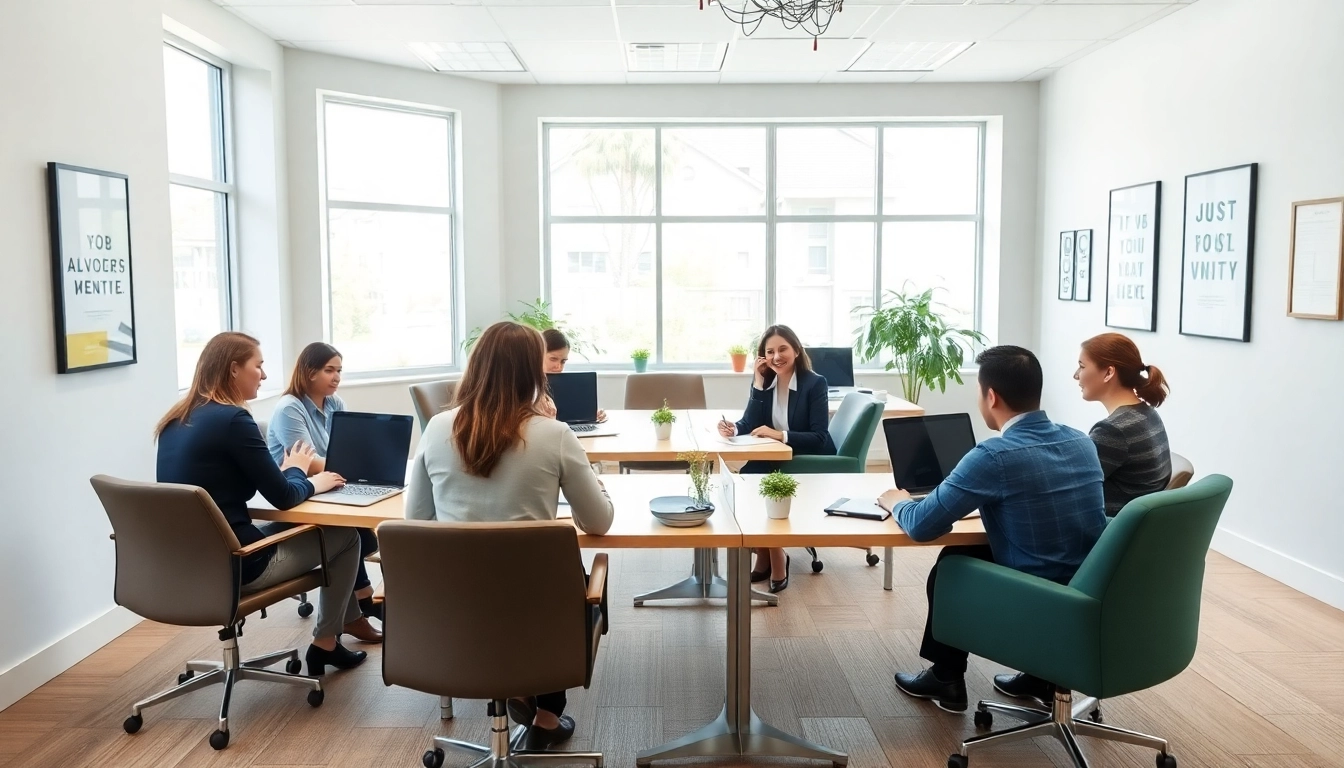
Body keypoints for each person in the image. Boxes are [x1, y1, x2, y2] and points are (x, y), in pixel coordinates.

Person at [405, 321, 613, 751]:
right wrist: (594, 475)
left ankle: (512, 688)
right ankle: (547, 714)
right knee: (567, 575)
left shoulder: (437, 428)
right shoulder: (554, 434)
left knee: (508, 581)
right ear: (533, 375)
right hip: (537, 608)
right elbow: (598, 522)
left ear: (477, 366)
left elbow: (417, 520)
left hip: (454, 604)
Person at [876, 345, 1106, 713]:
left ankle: (947, 678)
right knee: (967, 551)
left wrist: (896, 501)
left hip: (1037, 599)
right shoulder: (1081, 441)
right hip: (1089, 588)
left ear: (991, 396)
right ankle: (1040, 677)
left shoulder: (994, 456)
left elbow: (921, 526)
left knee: (952, 563)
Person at [155, 332, 369, 677]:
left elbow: (228, 484)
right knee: (346, 535)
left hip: (184, 565)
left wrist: (285, 473)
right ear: (234, 369)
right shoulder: (234, 420)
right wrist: (309, 478)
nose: (265, 375)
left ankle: (350, 621)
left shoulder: (175, 420)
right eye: (259, 365)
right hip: (238, 563)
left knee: (306, 529)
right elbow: (282, 497)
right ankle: (325, 645)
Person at [993, 333, 1173, 705]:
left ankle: (960, 673)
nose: (1076, 375)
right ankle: (1043, 674)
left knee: (983, 548)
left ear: (1107, 373)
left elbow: (1064, 486)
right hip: (1124, 550)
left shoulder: (1112, 431)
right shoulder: (1146, 415)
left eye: (1081, 366)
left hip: (1095, 551)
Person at [266, 342, 383, 643]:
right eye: (329, 370)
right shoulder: (289, 407)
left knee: (360, 519)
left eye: (339, 370)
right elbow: (308, 461)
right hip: (296, 496)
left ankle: (361, 601)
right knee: (354, 530)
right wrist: (352, 465)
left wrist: (360, 463)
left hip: (328, 488)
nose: (336, 377)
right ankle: (362, 601)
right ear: (308, 372)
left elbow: (345, 450)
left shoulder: (335, 404)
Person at [716, 324, 836, 593]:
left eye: (782, 349)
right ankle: (768, 552)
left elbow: (819, 436)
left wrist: (779, 434)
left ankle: (775, 556)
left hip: (809, 455)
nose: (776, 357)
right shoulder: (765, 379)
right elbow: (749, 422)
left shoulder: (814, 383)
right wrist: (733, 428)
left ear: (796, 349)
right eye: (769, 351)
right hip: (775, 456)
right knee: (749, 477)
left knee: (757, 476)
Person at [541, 328, 605, 422]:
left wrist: (591, 415)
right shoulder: (525, 386)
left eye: (563, 361)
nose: (559, 367)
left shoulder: (567, 384)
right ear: (538, 355)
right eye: (553, 359)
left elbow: (572, 415)